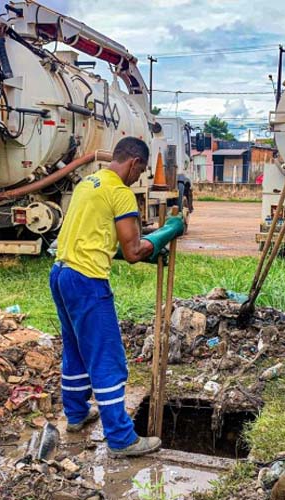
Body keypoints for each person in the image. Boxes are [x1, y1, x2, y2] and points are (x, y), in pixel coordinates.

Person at [50, 137, 185, 456]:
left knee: (75, 350)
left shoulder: (88, 183)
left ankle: (77, 414)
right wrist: (169, 231)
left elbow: (97, 239)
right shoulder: (120, 193)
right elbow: (134, 250)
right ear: (134, 162)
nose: (139, 178)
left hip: (60, 273)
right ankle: (122, 439)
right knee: (107, 358)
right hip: (86, 280)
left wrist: (137, 249)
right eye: (141, 172)